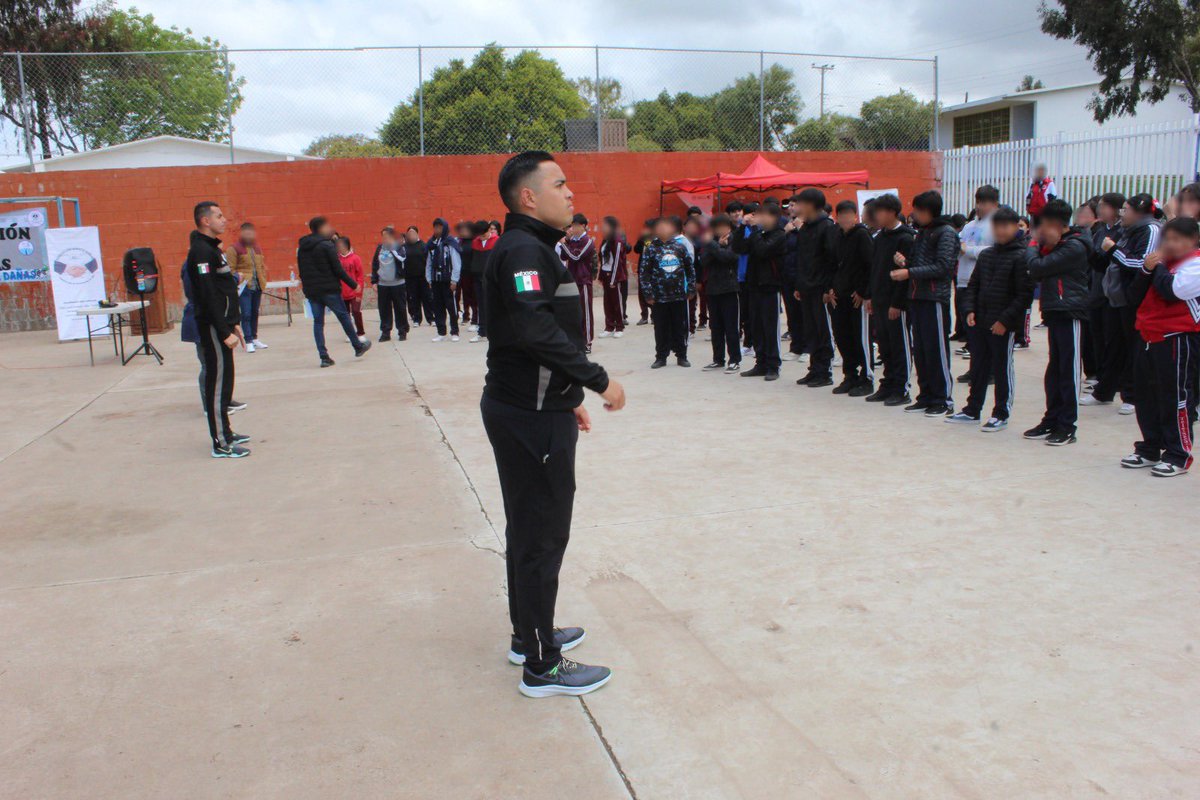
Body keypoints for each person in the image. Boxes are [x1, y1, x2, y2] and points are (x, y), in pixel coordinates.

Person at [481, 150, 626, 697]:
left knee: (530, 530)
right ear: (528, 197)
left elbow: (533, 340)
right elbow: (534, 330)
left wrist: (565, 397)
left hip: (536, 407)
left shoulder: (531, 247)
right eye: (560, 185)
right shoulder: (523, 250)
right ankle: (542, 665)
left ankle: (529, 635)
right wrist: (596, 379)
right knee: (541, 536)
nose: (571, 194)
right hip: (528, 416)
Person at [1121, 216, 1200, 476]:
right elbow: (1133, 296)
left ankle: (1178, 453)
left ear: (1194, 241)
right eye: (1168, 239)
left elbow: (1173, 291)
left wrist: (1159, 266)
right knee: (1145, 396)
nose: (1171, 245)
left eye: (1179, 240)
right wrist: (1145, 269)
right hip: (1147, 335)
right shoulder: (1161, 264)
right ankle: (1149, 447)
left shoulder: (1195, 263)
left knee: (1175, 396)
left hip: (1177, 336)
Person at [948, 206, 1034, 431]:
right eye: (996, 226)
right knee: (978, 366)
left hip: (1002, 325)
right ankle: (972, 409)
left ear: (1017, 227)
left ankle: (1001, 413)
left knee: (1001, 367)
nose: (1000, 231)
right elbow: (973, 286)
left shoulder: (1022, 256)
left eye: (1005, 226)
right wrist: (969, 311)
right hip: (980, 322)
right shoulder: (987, 255)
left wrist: (1004, 321)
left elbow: (1023, 295)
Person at [1022, 199, 1091, 446]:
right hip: (1054, 310)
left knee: (1069, 371)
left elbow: (1036, 267)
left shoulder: (1075, 246)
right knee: (1054, 371)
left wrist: (1032, 243)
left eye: (1044, 224)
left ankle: (1067, 426)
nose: (1040, 230)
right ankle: (1051, 419)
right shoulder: (1054, 245)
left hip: (1070, 311)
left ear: (1057, 224)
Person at [186, 201, 250, 458]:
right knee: (217, 382)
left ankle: (227, 431)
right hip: (213, 327)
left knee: (227, 382)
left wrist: (233, 321)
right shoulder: (201, 252)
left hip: (224, 323)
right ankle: (221, 443)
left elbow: (224, 289)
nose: (224, 220)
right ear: (205, 221)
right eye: (219, 216)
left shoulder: (213, 250)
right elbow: (208, 294)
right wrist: (223, 331)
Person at [891, 190, 959, 417]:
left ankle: (943, 399)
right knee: (920, 349)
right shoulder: (922, 233)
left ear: (929, 211)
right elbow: (923, 263)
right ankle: (926, 395)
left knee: (936, 349)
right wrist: (906, 262)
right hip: (917, 297)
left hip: (934, 298)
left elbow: (943, 267)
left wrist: (909, 272)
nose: (914, 215)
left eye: (918, 210)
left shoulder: (946, 233)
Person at [1099, 193, 1163, 415]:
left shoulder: (1151, 230)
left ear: (1140, 211)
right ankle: (1103, 391)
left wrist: (1113, 250)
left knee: (1133, 348)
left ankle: (1132, 396)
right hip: (1118, 297)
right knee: (1114, 345)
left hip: (1135, 299)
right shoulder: (1127, 231)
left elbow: (1141, 264)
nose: (1122, 214)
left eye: (1126, 209)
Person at [182, 244, 246, 421]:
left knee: (223, 364)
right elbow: (203, 290)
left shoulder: (211, 261)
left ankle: (225, 399)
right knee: (208, 365)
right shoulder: (194, 264)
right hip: (201, 320)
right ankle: (209, 405)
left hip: (219, 318)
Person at [297, 216, 371, 367]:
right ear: (321, 228)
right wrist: (353, 284)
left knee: (318, 322)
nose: (330, 228)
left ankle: (324, 357)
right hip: (329, 289)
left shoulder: (302, 248)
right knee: (344, 317)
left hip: (312, 291)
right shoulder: (326, 245)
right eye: (327, 226)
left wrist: (306, 289)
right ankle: (357, 346)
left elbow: (302, 271)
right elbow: (338, 269)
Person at [864, 193, 915, 406]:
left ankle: (901, 388)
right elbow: (874, 269)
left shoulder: (906, 237)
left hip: (896, 303)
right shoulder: (880, 237)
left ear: (892, 212)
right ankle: (887, 384)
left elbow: (906, 276)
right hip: (879, 299)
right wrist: (870, 296)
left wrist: (898, 303)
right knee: (884, 345)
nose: (877, 215)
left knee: (899, 345)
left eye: (880, 211)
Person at [1081, 193, 1126, 407]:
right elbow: (1097, 262)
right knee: (1096, 336)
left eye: (1104, 206)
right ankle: (1100, 378)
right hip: (1096, 291)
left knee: (1111, 341)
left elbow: (1115, 260)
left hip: (1112, 294)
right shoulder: (1101, 231)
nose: (1100, 210)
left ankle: (1110, 384)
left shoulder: (1122, 231)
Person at [792, 189, 839, 388]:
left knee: (823, 330)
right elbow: (801, 260)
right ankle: (815, 369)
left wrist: (828, 288)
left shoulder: (827, 227)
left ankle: (825, 371)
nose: (797, 207)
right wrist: (799, 285)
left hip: (820, 289)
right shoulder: (805, 228)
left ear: (811, 204)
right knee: (811, 330)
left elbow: (831, 260)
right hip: (806, 287)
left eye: (800, 203)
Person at [734, 202, 787, 380]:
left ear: (773, 217)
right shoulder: (759, 234)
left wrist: (755, 229)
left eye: (763, 215)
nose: (759, 218)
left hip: (770, 286)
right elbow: (739, 248)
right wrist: (742, 227)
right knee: (756, 326)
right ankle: (761, 362)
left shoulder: (779, 235)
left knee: (770, 327)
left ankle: (773, 365)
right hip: (753, 285)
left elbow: (763, 250)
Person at [830, 200, 875, 396]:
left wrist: (863, 291)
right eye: (842, 215)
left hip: (857, 296)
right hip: (839, 295)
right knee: (842, 336)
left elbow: (869, 266)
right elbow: (832, 264)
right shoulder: (837, 236)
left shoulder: (862, 235)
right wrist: (830, 288)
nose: (845, 219)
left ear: (855, 216)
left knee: (861, 338)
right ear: (837, 217)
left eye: (849, 215)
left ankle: (867, 378)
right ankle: (850, 375)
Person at [641, 215, 695, 368]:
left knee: (680, 327)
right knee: (660, 328)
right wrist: (648, 293)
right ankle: (661, 357)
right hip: (659, 297)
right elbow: (644, 273)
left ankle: (682, 356)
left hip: (678, 295)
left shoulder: (680, 247)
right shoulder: (651, 248)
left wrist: (690, 288)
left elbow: (690, 269)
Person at [954, 186, 999, 363]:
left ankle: (988, 370)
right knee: (970, 330)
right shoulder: (969, 225)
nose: (980, 206)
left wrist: (969, 250)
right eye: (978, 202)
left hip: (982, 282)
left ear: (994, 204)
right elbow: (959, 246)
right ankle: (975, 368)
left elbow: (995, 251)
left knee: (982, 330)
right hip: (963, 281)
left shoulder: (997, 224)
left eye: (985, 203)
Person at [700, 213, 741, 373]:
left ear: (728, 227)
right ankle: (718, 359)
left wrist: (713, 246)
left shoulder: (735, 240)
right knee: (715, 326)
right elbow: (703, 261)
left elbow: (728, 257)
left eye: (721, 227)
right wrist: (715, 246)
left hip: (730, 288)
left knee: (731, 326)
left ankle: (735, 359)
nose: (718, 230)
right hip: (712, 288)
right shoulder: (713, 243)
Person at [556, 213, 598, 353]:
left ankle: (587, 342)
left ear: (583, 226)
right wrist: (566, 242)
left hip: (584, 281)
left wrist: (563, 243)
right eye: (571, 226)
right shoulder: (572, 240)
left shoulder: (587, 241)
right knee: (574, 313)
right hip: (572, 280)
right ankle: (576, 340)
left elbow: (575, 256)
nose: (572, 229)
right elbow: (563, 256)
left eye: (574, 226)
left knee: (585, 312)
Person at [225, 222, 269, 353]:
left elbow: (261, 266)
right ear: (241, 233)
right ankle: (248, 340)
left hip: (257, 285)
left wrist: (263, 280)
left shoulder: (257, 248)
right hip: (244, 287)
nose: (249, 235)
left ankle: (255, 338)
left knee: (255, 312)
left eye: (251, 232)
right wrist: (238, 280)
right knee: (246, 313)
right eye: (247, 232)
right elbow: (230, 269)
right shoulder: (234, 249)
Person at [426, 218, 462, 341]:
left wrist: (454, 280)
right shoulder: (431, 244)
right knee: (438, 306)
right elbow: (429, 263)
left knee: (451, 306)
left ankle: (454, 332)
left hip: (448, 280)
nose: (437, 230)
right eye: (435, 227)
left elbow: (456, 263)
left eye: (439, 227)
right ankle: (441, 332)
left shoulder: (450, 243)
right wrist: (429, 279)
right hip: (436, 280)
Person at [371, 226, 409, 342]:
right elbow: (375, 265)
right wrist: (374, 281)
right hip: (383, 284)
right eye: (383, 236)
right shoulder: (379, 249)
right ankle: (385, 332)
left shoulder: (399, 247)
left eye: (387, 236)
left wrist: (392, 248)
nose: (385, 239)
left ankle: (402, 331)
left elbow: (403, 259)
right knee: (384, 309)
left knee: (400, 308)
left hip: (397, 284)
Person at [597, 215, 629, 339]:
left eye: (605, 226)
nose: (603, 228)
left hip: (614, 275)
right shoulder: (605, 240)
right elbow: (603, 260)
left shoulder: (618, 241)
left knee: (617, 302)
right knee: (607, 302)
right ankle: (609, 326)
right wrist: (601, 276)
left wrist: (614, 278)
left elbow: (617, 262)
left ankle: (619, 327)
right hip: (606, 274)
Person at [470, 220, 500, 343]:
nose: (482, 237)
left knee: (493, 305)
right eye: (480, 235)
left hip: (491, 279)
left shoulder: (497, 241)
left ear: (489, 230)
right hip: (477, 278)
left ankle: (495, 332)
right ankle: (482, 332)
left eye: (484, 234)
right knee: (481, 305)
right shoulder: (475, 242)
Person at [337, 236, 366, 337]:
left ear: (347, 246)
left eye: (342, 245)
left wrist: (359, 292)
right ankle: (350, 334)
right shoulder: (337, 259)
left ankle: (360, 332)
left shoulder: (355, 258)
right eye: (339, 245)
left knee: (356, 311)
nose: (340, 247)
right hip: (342, 293)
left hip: (354, 292)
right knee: (345, 315)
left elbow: (360, 277)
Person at [402, 225, 431, 327]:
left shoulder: (424, 245)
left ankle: (430, 318)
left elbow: (428, 262)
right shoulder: (404, 247)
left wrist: (429, 277)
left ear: (417, 234)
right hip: (410, 277)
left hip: (423, 277)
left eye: (413, 233)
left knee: (427, 298)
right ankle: (417, 319)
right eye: (409, 233)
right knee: (414, 299)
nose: (411, 235)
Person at [632, 219, 655, 326]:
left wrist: (647, 240)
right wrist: (642, 239)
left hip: (654, 270)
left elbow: (652, 249)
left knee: (653, 291)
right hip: (642, 268)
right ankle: (644, 316)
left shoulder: (657, 239)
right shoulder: (643, 238)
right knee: (642, 293)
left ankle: (654, 316)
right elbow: (636, 250)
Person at [457, 220, 479, 329]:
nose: (463, 232)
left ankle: (475, 319)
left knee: (474, 297)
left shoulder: (475, 241)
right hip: (463, 273)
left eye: (466, 230)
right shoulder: (460, 242)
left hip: (473, 273)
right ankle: (466, 316)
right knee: (466, 296)